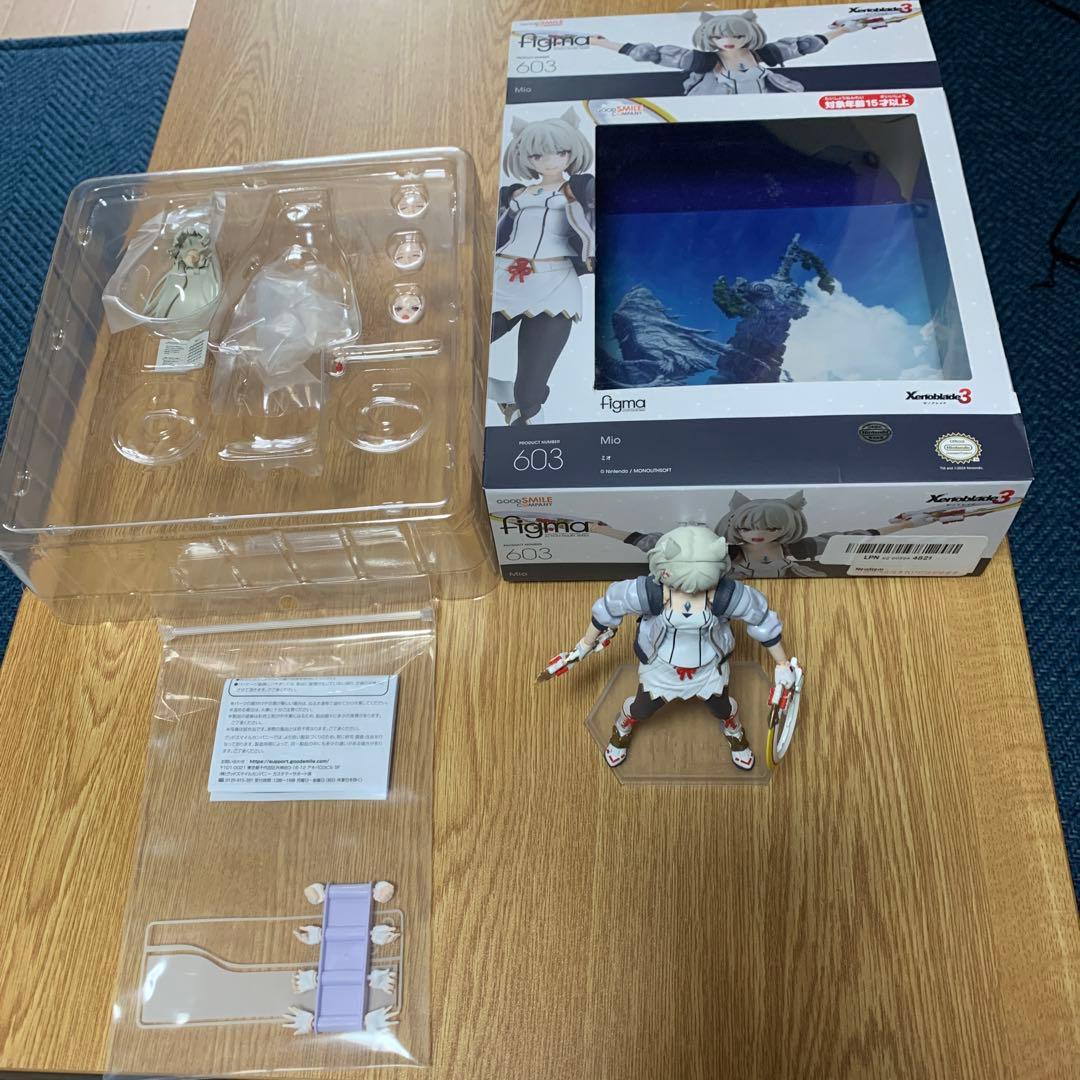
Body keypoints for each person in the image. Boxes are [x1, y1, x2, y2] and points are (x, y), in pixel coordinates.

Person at [563, 525, 797, 770]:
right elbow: (607, 608)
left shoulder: (726, 595)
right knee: (641, 708)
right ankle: (623, 726)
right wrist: (585, 644)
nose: (690, 593)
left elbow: (762, 621)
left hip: (708, 667)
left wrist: (782, 665)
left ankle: (732, 729)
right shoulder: (649, 593)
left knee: (723, 708)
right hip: (662, 666)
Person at [490, 108, 595, 425]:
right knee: (459, 348)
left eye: (559, 152)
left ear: (571, 152)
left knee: (529, 394)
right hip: (504, 280)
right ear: (526, 157)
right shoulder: (514, 194)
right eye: (538, 155)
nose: (549, 161)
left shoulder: (580, 189)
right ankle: (503, 393)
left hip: (555, 286)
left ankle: (524, 412)